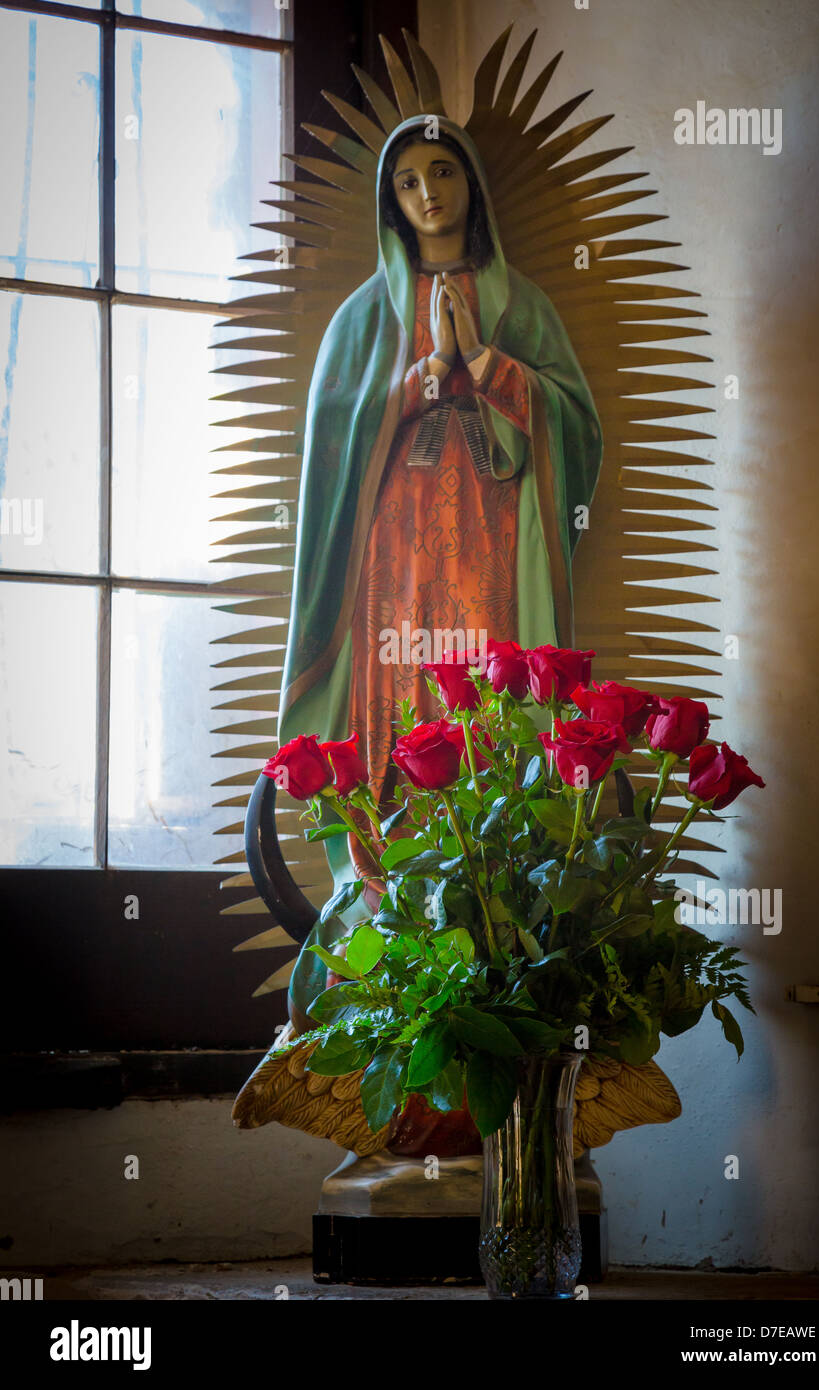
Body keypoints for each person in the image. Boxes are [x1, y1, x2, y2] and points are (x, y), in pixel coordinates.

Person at [279, 116, 603, 1030]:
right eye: (410, 179)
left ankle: (489, 932)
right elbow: (333, 455)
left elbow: (576, 434)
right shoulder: (364, 319)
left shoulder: (523, 308)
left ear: (470, 184)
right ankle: (387, 954)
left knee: (483, 705)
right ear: (393, 201)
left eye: (443, 170)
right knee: (401, 713)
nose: (429, 192)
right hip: (394, 562)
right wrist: (424, 379)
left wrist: (490, 366)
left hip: (493, 551)